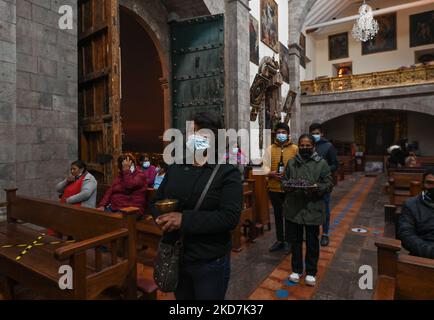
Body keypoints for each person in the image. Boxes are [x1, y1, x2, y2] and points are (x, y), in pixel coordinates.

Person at [151, 112, 242, 300]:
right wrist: (159, 217)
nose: (192, 136)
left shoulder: (227, 172)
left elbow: (229, 217)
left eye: (199, 132)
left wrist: (184, 220)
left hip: (209, 260)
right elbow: (156, 201)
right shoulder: (176, 167)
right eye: (191, 131)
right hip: (177, 254)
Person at [282, 134, 333, 286]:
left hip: (313, 208)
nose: (304, 148)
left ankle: (311, 271)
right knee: (295, 242)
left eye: (307, 145)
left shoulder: (321, 163)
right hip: (294, 208)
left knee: (312, 242)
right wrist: (286, 186)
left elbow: (329, 183)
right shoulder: (292, 163)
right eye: (302, 145)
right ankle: (296, 270)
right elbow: (284, 180)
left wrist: (317, 188)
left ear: (313, 146)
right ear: (299, 146)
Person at [262, 122, 298, 254]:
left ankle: (289, 241)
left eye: (283, 132)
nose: (281, 135)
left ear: (288, 134)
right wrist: (270, 173)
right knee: (277, 215)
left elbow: (299, 166)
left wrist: (289, 175)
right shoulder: (270, 149)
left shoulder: (295, 149)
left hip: (289, 188)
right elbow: (263, 166)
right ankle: (280, 240)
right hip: (274, 187)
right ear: (275, 134)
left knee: (289, 215)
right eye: (279, 132)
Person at [309, 123, 338, 247]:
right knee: (310, 207)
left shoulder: (328, 146)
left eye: (317, 133)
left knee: (324, 208)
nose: (315, 135)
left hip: (324, 183)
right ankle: (311, 232)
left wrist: (324, 169)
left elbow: (335, 164)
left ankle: (325, 234)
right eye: (312, 133)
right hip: (310, 182)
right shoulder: (308, 145)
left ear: (322, 134)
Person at [397, 167, 434, 259]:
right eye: (430, 183)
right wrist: (429, 251)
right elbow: (406, 234)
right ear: (423, 184)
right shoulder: (411, 205)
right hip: (422, 256)